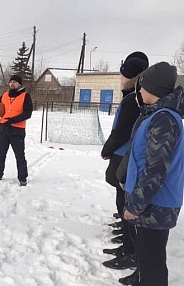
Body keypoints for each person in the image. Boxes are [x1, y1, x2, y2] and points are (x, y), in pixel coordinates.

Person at [123, 62, 183, 286]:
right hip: (152, 204)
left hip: (155, 205)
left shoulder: (164, 120)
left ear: (154, 90)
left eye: (143, 86)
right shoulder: (158, 116)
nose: (139, 91)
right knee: (148, 262)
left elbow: (156, 170)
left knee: (153, 266)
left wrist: (135, 205)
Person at [101, 52, 148, 275]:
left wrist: (108, 148)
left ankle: (130, 248)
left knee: (123, 190)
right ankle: (125, 231)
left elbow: (122, 131)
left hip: (125, 153)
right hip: (124, 153)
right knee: (121, 191)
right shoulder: (131, 96)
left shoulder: (133, 100)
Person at [0, 74, 33, 186]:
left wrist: (13, 120)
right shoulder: (5, 95)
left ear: (20, 84)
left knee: (20, 156)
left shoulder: (25, 96)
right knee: (0, 154)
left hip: (17, 130)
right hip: (3, 129)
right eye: (11, 82)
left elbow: (28, 113)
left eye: (15, 82)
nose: (12, 84)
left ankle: (22, 178)